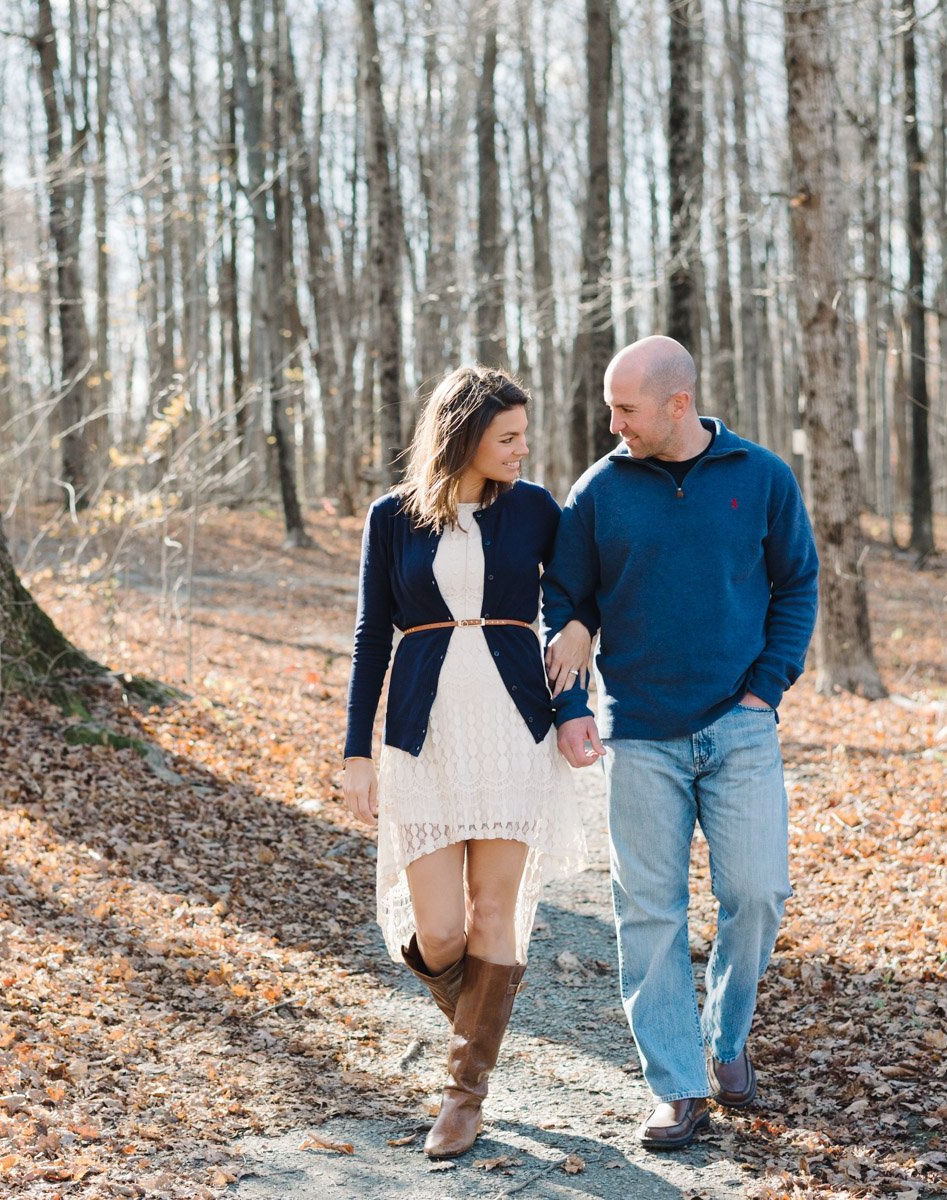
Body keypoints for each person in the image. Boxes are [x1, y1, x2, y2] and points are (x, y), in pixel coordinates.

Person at [542, 335, 818, 1151]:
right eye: (609, 406)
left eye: (625, 408)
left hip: (739, 725)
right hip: (640, 732)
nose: (612, 421)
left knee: (759, 893)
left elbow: (796, 583)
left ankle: (726, 1041)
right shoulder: (598, 490)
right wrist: (571, 705)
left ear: (677, 403)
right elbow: (566, 598)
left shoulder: (760, 477)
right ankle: (676, 1086)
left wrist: (768, 687)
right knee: (649, 914)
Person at [341, 365, 593, 1160]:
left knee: (493, 914)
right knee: (442, 932)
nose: (523, 449)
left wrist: (581, 628)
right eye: (507, 437)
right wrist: (357, 752)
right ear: (463, 437)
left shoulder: (537, 510)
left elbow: (582, 591)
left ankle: (463, 1094)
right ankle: (480, 1019)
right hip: (424, 734)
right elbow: (369, 639)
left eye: (524, 435)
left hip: (514, 728)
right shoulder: (394, 518)